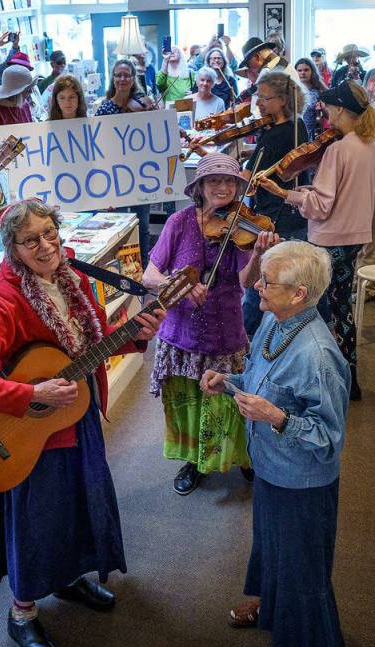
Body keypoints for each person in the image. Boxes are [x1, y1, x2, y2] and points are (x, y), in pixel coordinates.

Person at [0, 198, 164, 647]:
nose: (44, 246)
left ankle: (66, 578)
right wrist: (30, 395)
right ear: (13, 249)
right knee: (38, 520)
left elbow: (97, 341)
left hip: (74, 419)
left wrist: (140, 332)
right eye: (30, 240)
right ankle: (21, 614)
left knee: (80, 506)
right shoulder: (5, 299)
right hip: (28, 433)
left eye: (49, 234)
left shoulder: (76, 279)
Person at [202, 240, 349, 647]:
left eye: (268, 281)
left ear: (299, 293)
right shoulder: (276, 317)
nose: (257, 286)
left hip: (302, 482)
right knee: (271, 547)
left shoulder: (318, 357)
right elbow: (257, 377)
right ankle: (271, 605)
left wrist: (277, 418)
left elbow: (328, 438)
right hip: (270, 465)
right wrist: (228, 382)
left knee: (302, 565)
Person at [143, 153, 278, 495]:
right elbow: (150, 275)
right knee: (189, 400)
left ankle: (242, 456)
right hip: (181, 334)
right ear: (200, 187)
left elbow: (247, 281)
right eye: (214, 180)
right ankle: (195, 461)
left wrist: (260, 253)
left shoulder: (240, 228)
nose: (222, 187)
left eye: (229, 181)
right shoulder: (179, 222)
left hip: (225, 331)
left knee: (229, 401)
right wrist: (181, 284)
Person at [256, 80, 375, 401]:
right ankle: (349, 377)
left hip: (330, 239)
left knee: (320, 310)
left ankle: (327, 379)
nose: (324, 110)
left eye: (328, 106)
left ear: (340, 109)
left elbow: (321, 206)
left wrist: (285, 193)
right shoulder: (370, 148)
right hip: (354, 237)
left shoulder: (338, 149)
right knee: (342, 308)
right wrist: (306, 192)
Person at [241, 70, 309, 337]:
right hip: (295, 216)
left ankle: (247, 340)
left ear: (282, 100)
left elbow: (246, 181)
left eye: (264, 98)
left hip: (273, 218)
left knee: (259, 285)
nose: (258, 104)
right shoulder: (298, 126)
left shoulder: (274, 136)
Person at [96, 60, 154, 266]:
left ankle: (143, 268)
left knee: (143, 225)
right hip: (116, 175)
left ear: (133, 78)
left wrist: (154, 115)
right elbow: (99, 143)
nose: (122, 79)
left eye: (127, 75)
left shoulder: (144, 103)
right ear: (113, 78)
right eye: (118, 75)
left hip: (141, 173)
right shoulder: (105, 108)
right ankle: (124, 268)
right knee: (119, 224)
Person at [0, 65, 35, 132]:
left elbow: (31, 131)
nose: (31, 92)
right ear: (16, 93)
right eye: (28, 89)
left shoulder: (24, 104)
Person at [294, 57, 328, 138]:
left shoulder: (319, 91)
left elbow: (329, 115)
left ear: (312, 71)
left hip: (312, 136)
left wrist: (323, 108)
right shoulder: (292, 90)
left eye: (306, 70)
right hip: (294, 134)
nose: (302, 73)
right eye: (299, 70)